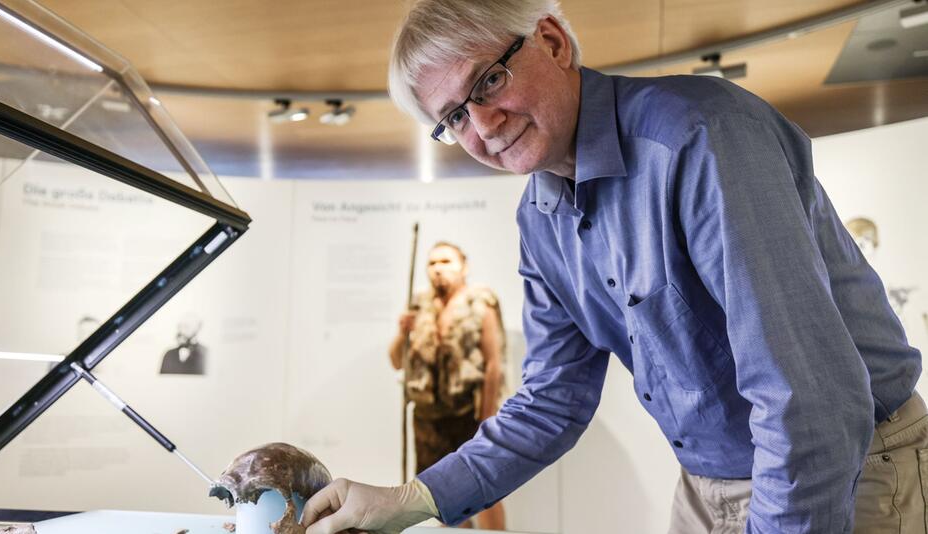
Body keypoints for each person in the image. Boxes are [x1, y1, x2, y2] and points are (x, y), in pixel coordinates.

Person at [302, 1, 924, 533]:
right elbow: (553, 398)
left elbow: (807, 397)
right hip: (707, 484)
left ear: (552, 41)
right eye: (454, 117)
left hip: (849, 466)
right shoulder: (540, 218)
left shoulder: (700, 137)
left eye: (488, 82)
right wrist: (411, 500)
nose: (483, 127)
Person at [388, 241, 506, 529]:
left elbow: (493, 364)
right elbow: (396, 361)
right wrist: (402, 333)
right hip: (428, 420)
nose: (438, 269)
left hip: (468, 415)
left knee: (485, 487)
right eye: (432, 263)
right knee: (440, 494)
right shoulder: (419, 305)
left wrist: (486, 418)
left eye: (446, 261)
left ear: (463, 266)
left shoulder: (480, 303)